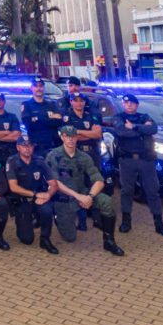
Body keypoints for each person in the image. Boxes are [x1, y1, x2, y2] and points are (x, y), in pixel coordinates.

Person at [46, 125, 123, 256]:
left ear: (77, 137)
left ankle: (109, 241)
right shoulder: (53, 155)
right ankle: (58, 217)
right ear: (62, 137)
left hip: (83, 194)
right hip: (64, 198)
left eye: (73, 136)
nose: (70, 139)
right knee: (70, 237)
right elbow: (55, 183)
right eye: (67, 136)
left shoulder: (84, 157)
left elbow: (99, 180)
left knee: (106, 201)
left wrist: (90, 197)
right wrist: (78, 197)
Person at [106, 93, 163, 238]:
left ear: (136, 105)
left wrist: (134, 127)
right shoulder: (119, 117)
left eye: (132, 103)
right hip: (127, 160)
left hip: (146, 160)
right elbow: (121, 132)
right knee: (127, 191)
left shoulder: (144, 116)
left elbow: (153, 129)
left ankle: (159, 224)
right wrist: (142, 130)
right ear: (123, 105)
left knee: (152, 191)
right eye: (126, 103)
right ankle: (126, 222)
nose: (129, 105)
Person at [5, 134, 59, 253]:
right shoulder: (12, 161)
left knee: (47, 210)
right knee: (27, 239)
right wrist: (34, 194)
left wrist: (48, 195)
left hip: (39, 199)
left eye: (29, 146)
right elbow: (13, 187)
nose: (27, 148)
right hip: (22, 201)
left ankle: (45, 239)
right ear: (18, 147)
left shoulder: (39, 161)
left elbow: (54, 184)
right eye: (24, 146)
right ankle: (28, 220)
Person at [62, 91, 105, 231]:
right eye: (75, 100)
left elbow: (98, 134)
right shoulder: (67, 117)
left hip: (93, 154)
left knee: (94, 183)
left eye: (81, 100)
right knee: (77, 184)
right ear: (71, 102)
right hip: (76, 154)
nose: (79, 103)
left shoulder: (91, 115)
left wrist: (79, 132)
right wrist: (88, 134)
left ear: (85, 102)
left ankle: (96, 217)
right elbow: (69, 137)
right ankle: (81, 221)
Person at [18, 79, 62, 158]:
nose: (39, 88)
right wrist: (49, 118)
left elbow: (58, 121)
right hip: (36, 147)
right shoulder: (27, 105)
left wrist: (38, 119)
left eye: (41, 86)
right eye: (36, 86)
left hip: (53, 145)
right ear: (31, 88)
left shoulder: (52, 104)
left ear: (44, 88)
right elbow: (29, 124)